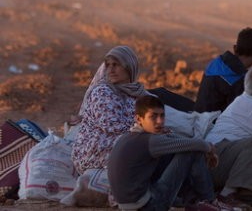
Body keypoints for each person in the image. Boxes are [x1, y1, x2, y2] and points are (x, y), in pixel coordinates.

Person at [107, 95, 232, 211]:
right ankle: (209, 200)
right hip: (149, 206)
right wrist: (209, 148)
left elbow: (174, 140)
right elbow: (192, 144)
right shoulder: (150, 141)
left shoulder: (129, 137)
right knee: (192, 152)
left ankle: (194, 201)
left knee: (172, 154)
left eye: (162, 116)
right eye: (153, 116)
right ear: (139, 119)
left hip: (129, 206)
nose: (160, 121)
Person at [72, 45, 152, 174]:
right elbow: (111, 126)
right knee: (146, 144)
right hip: (94, 149)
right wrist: (144, 129)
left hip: (121, 141)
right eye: (108, 65)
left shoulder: (137, 93)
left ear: (129, 66)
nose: (111, 70)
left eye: (116, 65)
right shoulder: (103, 91)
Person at [195, 27, 252, 113]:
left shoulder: (217, 63)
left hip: (198, 117)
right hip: (213, 125)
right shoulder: (241, 82)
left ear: (235, 48)